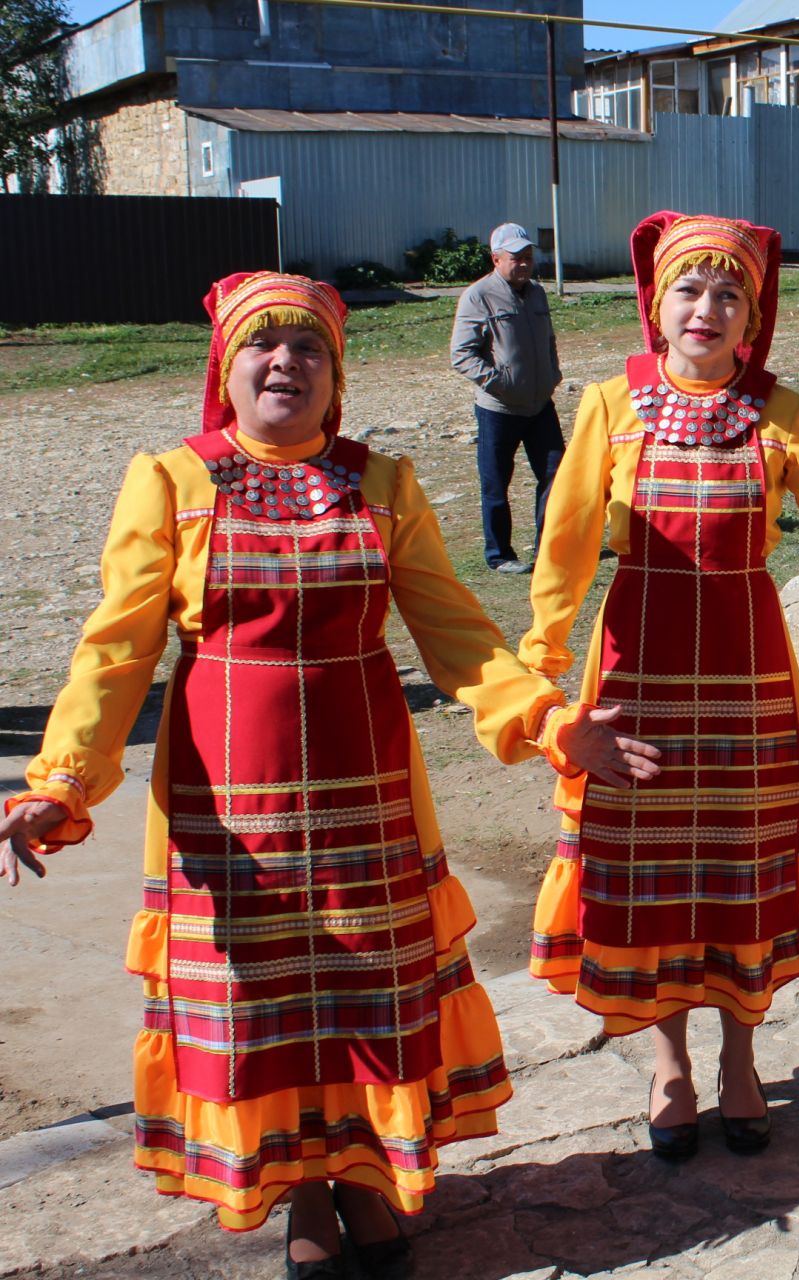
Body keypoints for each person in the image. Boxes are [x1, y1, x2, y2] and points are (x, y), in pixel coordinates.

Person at [0, 271, 569, 1278]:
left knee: (366, 982)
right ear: (227, 366)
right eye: (263, 344)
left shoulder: (382, 482)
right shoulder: (172, 483)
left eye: (307, 347)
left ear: (334, 373)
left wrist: (545, 714)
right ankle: (304, 1184)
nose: (285, 362)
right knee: (267, 997)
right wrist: (62, 780)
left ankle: (361, 1170)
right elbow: (116, 651)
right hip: (228, 800)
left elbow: (455, 631)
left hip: (365, 790)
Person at [515, 211, 799, 1161]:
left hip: (748, 675)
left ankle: (737, 1057)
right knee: (650, 877)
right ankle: (669, 1066)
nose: (708, 307)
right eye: (690, 289)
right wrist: (541, 668)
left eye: (729, 293)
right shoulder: (611, 407)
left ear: (751, 313)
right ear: (657, 303)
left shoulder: (787, 413)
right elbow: (564, 550)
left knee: (747, 872)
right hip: (636, 674)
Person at [451, 221, 565, 574]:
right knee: (496, 482)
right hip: (499, 408)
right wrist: (499, 383)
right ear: (496, 258)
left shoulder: (538, 294)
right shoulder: (478, 295)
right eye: (516, 257)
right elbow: (462, 354)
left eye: (528, 256)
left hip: (540, 405)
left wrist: (552, 373)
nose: (524, 263)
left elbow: (547, 341)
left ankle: (547, 547)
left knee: (556, 473)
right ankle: (499, 555)